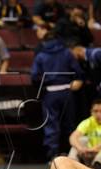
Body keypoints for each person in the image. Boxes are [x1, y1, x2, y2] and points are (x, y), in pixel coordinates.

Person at [31, 28, 84, 161]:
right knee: (70, 124)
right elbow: (78, 71)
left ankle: (53, 155)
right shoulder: (67, 53)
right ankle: (73, 154)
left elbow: (35, 76)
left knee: (51, 125)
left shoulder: (41, 56)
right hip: (67, 91)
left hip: (50, 92)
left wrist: (45, 83)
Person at [68, 99, 101, 169]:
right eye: (95, 111)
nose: (98, 114)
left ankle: (97, 165)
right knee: (81, 140)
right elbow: (73, 137)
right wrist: (80, 148)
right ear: (91, 112)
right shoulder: (87, 122)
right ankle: (71, 164)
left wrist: (96, 148)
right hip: (92, 155)